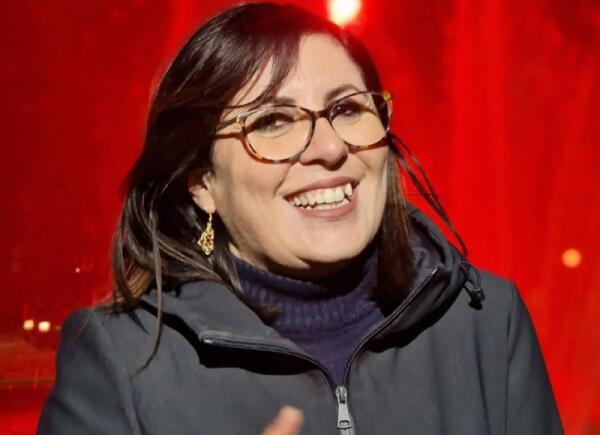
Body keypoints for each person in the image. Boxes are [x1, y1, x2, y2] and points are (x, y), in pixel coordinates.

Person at [37, 3, 563, 434]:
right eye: (272, 121)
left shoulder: (487, 322)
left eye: (348, 109)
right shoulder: (120, 360)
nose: (330, 148)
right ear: (202, 183)